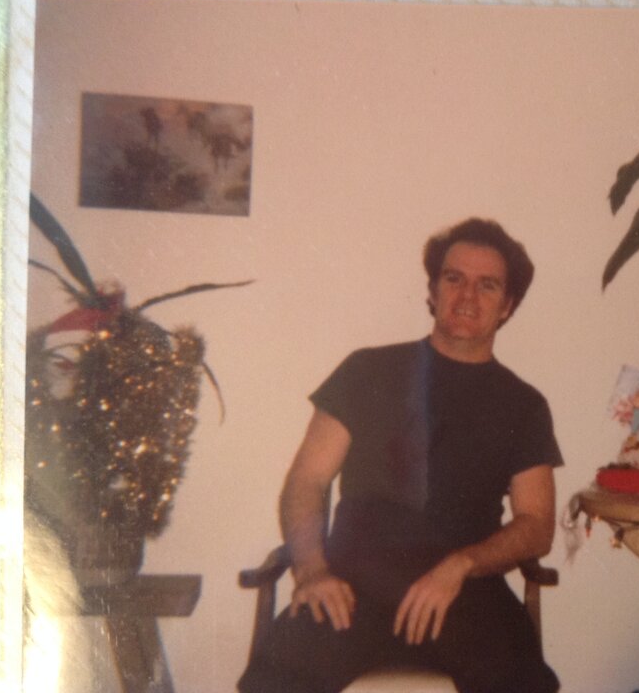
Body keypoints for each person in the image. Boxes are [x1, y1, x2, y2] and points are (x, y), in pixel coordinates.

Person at [238, 218, 562, 693]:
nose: (468, 296)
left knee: (520, 684)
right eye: (454, 278)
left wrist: (461, 565)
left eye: (487, 285)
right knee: (276, 683)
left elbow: (537, 525)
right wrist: (312, 570)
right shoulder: (367, 370)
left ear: (508, 305)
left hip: (464, 590)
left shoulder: (523, 405)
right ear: (432, 290)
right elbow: (307, 481)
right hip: (354, 585)